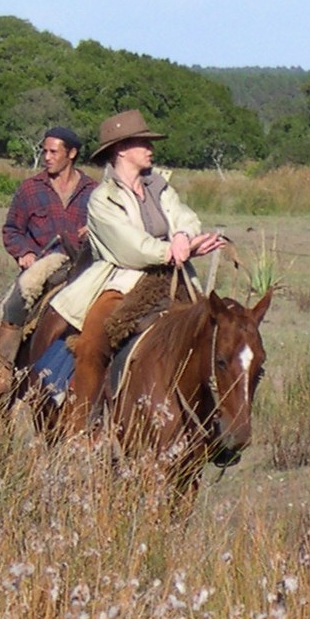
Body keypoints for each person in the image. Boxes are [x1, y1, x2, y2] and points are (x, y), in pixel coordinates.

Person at [48, 109, 223, 435]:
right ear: (121, 150)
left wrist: (184, 235)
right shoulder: (102, 198)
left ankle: (217, 427)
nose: (149, 147)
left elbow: (184, 215)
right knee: (92, 343)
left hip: (173, 277)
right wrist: (170, 250)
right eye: (142, 141)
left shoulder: (159, 186)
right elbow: (128, 246)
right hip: (122, 280)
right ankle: (81, 425)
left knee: (220, 332)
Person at [0, 126, 97, 397]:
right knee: (10, 305)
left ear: (71, 153)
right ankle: (3, 371)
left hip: (83, 266)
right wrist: (24, 253)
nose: (46, 157)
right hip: (44, 265)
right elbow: (12, 229)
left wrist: (95, 230)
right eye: (44, 151)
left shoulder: (94, 191)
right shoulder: (30, 189)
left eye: (53, 152)